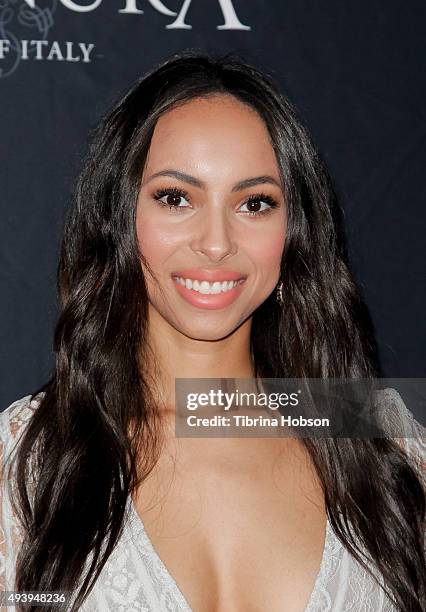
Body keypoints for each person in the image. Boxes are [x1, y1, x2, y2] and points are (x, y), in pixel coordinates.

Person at [0, 49, 425, 612]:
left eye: (254, 203)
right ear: (116, 217)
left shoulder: (380, 429)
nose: (217, 242)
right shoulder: (27, 455)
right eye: (176, 198)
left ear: (293, 232)